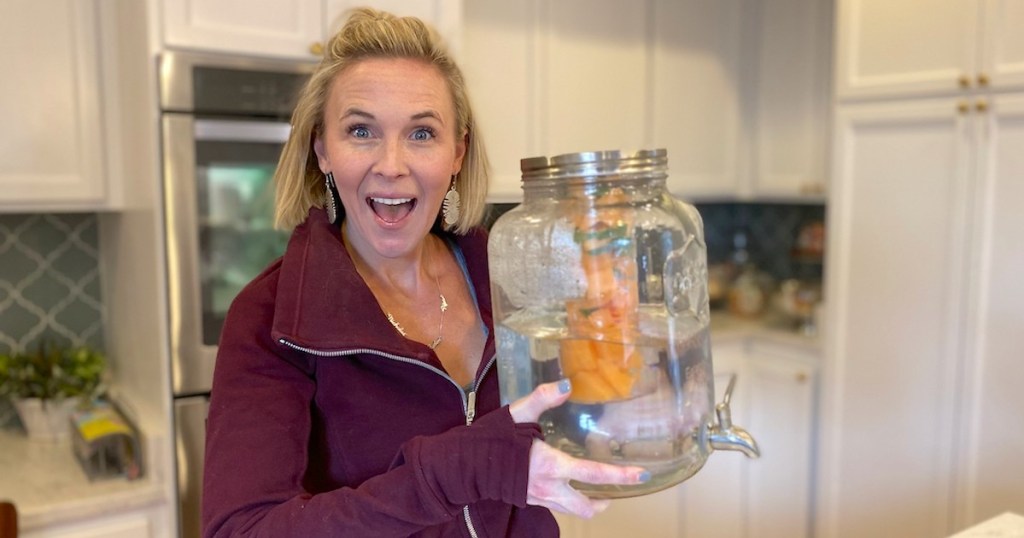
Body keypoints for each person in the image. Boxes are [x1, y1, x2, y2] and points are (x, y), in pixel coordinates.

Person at [201, 8, 648, 537]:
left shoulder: (509, 272)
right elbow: (242, 531)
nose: (392, 164)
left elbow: (572, 423)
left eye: (421, 133)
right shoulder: (270, 316)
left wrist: (614, 352)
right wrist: (460, 469)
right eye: (361, 130)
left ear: (457, 151)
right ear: (322, 148)